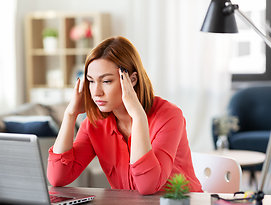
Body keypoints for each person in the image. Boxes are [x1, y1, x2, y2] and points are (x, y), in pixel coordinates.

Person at [47, 36, 202, 195]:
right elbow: (57, 177)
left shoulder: (169, 116)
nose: (96, 92)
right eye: (91, 81)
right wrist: (70, 114)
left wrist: (138, 117)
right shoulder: (94, 124)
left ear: (132, 79)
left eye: (106, 81)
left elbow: (147, 186)